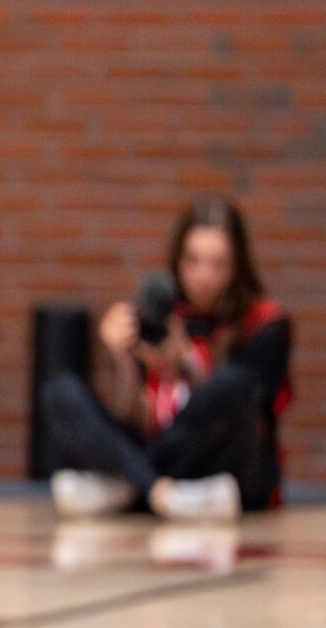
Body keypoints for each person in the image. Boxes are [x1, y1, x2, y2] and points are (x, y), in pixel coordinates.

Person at [40, 192, 292, 520]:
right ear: (177, 260)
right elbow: (134, 415)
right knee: (61, 392)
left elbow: (242, 412)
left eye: (219, 264)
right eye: (194, 261)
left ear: (238, 265)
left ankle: (128, 487)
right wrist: (121, 358)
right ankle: (161, 491)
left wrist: (189, 368)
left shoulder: (264, 323)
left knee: (233, 384)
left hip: (222, 464)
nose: (204, 276)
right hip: (163, 450)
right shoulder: (158, 314)